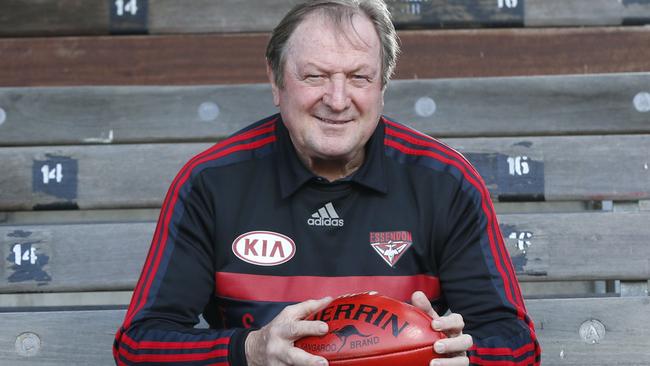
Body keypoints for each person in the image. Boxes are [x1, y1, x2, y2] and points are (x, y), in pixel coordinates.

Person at [113, 0, 540, 365]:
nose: (337, 101)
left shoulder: (446, 183)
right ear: (276, 81)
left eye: (359, 78)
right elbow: (139, 343)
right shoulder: (210, 184)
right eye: (314, 76)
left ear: (383, 86)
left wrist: (461, 354)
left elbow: (517, 344)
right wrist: (252, 349)